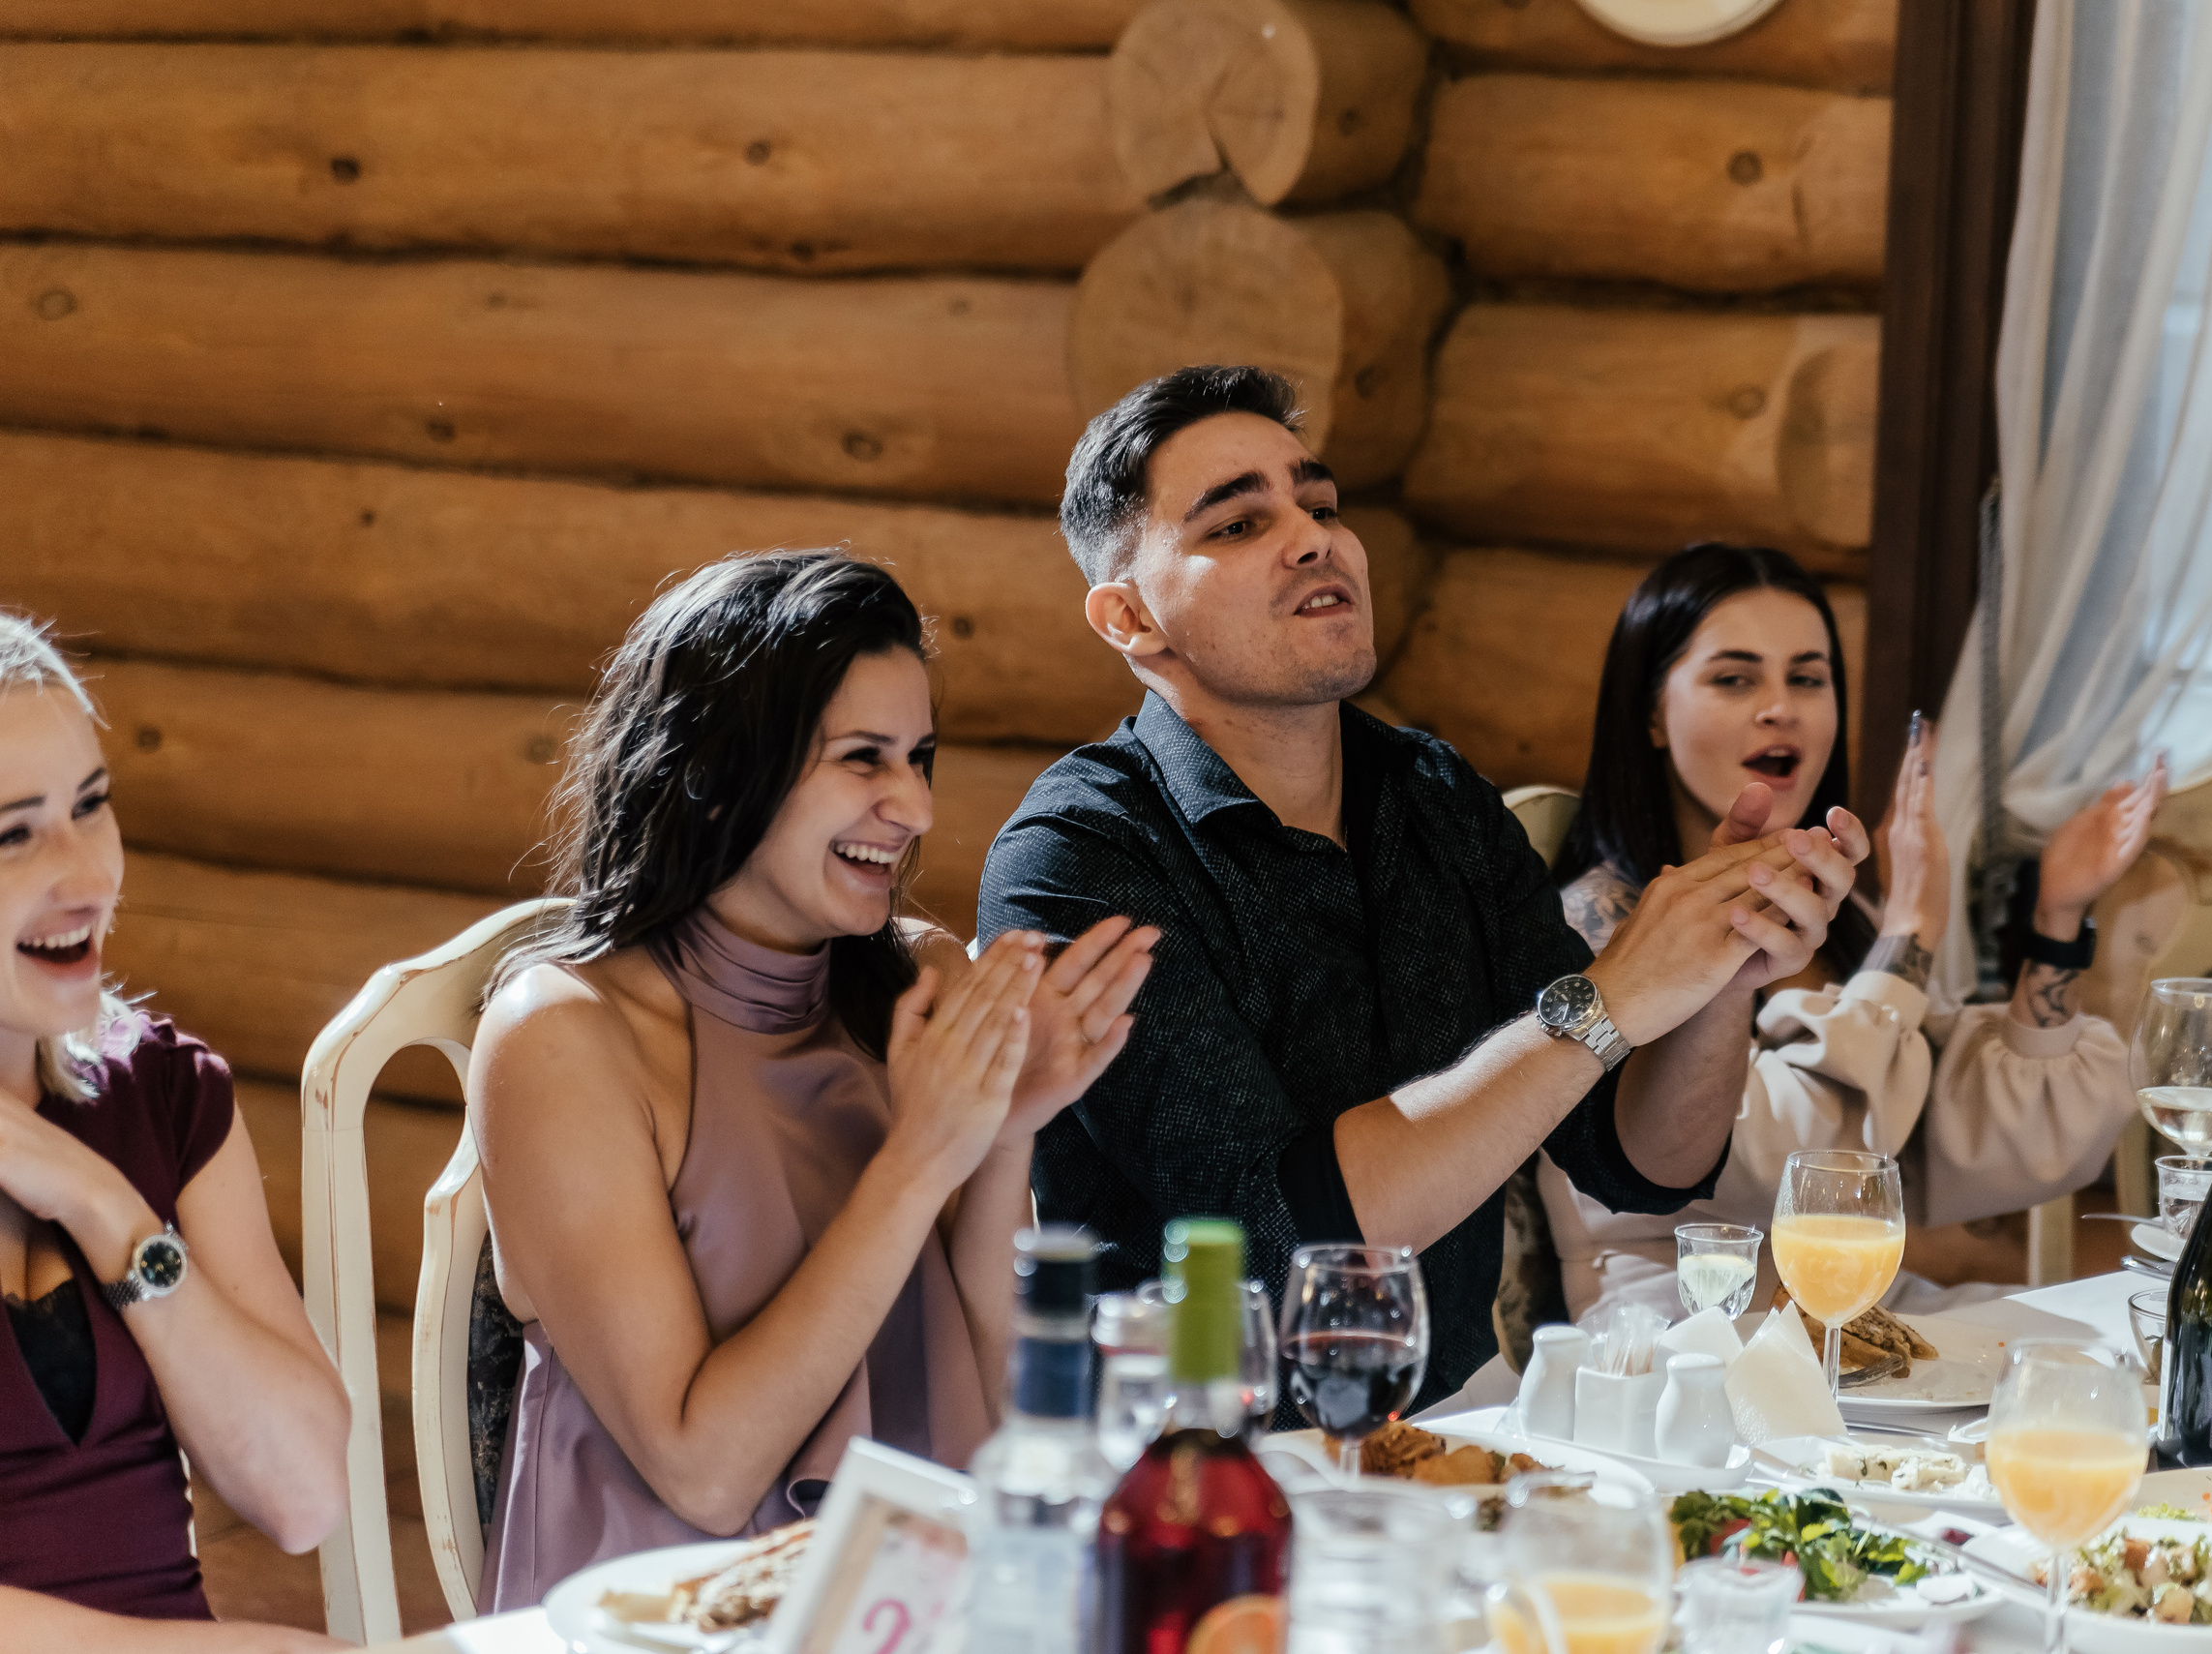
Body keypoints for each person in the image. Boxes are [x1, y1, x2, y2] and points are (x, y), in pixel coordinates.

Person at [977, 367, 1868, 1411]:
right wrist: (1611, 997)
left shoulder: (1435, 796)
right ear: (1129, 616)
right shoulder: (1079, 855)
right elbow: (1283, 1242)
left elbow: (1638, 1160)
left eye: (1318, 503)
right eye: (1238, 523)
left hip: (1455, 1407)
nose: (1315, 537)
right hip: (1199, 1445)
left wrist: (1723, 967)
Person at [468, 553, 1154, 1609]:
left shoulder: (921, 983)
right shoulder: (562, 1037)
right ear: (719, 767)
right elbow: (704, 1471)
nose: (915, 806)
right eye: (864, 758)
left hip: (922, 1596)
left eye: (920, 757)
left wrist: (1007, 1129)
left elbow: (996, 1384)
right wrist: (921, 1158)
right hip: (670, 1614)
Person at [1544, 546, 2154, 1320]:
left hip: (1855, 1317)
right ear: (1653, 714)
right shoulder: (1600, 924)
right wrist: (1907, 933)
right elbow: (1783, 1169)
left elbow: (1964, 1139)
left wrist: (2056, 921)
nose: (1781, 706)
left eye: (1807, 677)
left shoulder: (1831, 912)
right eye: (1735, 678)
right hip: (1687, 1336)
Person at [0, 615, 349, 1653]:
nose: (87, 873)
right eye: (12, 833)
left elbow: (303, 1493)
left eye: (91, 806)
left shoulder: (160, 1090)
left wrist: (106, 1207)